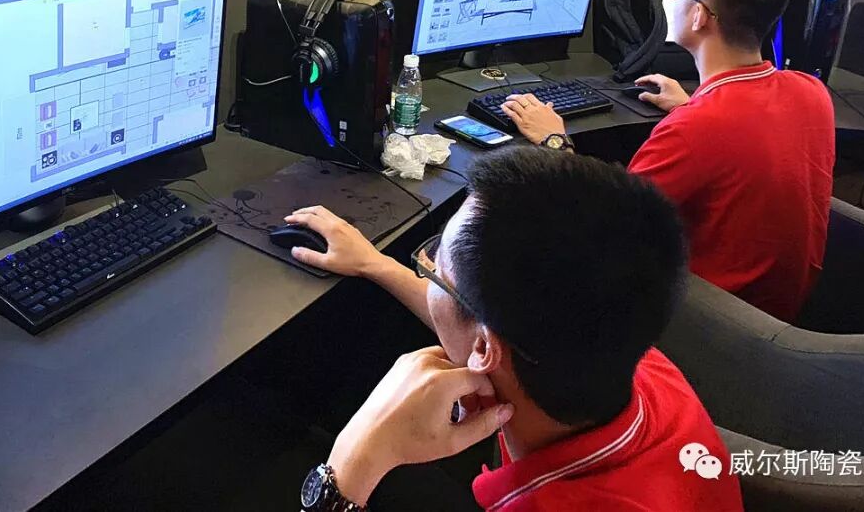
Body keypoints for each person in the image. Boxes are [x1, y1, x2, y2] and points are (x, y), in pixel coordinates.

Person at [287, 147, 742, 511]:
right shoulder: (627, 353)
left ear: (485, 346)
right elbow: (499, 327)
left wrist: (352, 463)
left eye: (437, 269)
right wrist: (376, 264)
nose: (428, 269)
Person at [502, 0, 834, 322]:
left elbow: (600, 227)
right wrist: (691, 104)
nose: (673, 2)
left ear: (699, 16)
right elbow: (748, 134)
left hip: (709, 324)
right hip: (773, 314)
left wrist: (554, 139)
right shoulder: (810, 92)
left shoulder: (696, 128)